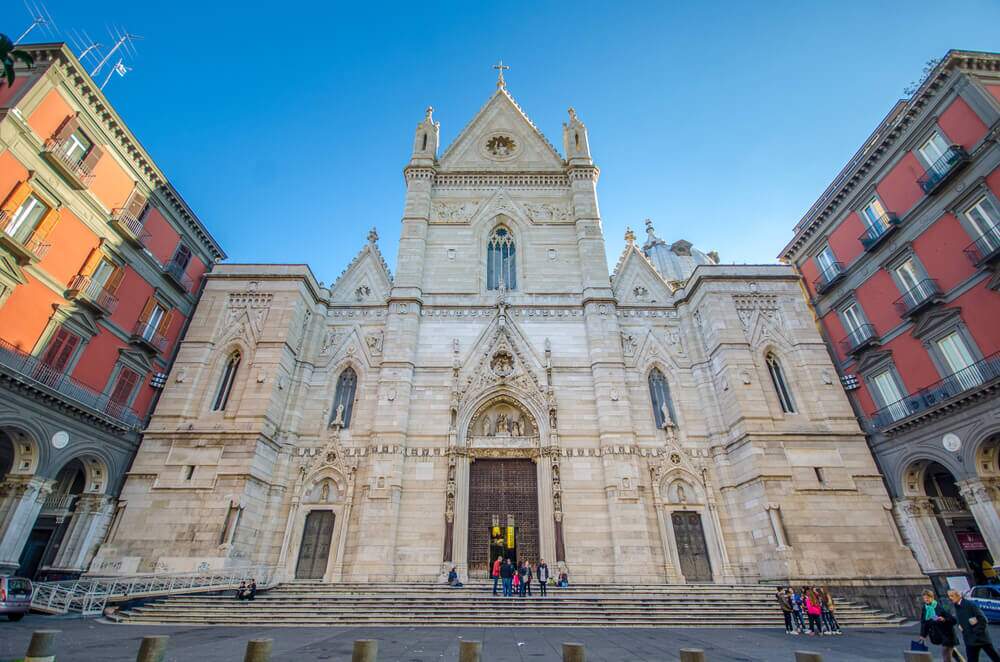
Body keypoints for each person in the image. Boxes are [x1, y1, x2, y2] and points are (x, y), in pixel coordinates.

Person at [949, 588, 1000, 661]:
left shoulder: (970, 604)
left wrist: (976, 633)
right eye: (949, 596)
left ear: (958, 595)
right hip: (970, 641)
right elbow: (958, 619)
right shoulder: (956, 606)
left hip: (981, 639)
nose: (950, 598)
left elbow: (983, 620)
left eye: (952, 596)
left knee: (995, 657)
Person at [920, 589, 964, 662]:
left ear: (932, 597)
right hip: (939, 634)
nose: (926, 600)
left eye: (928, 598)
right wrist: (923, 635)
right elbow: (924, 622)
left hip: (948, 634)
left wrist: (944, 619)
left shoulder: (940, 606)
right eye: (924, 598)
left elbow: (953, 620)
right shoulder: (925, 608)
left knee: (945, 653)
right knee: (952, 652)